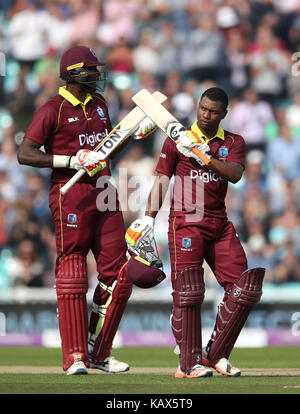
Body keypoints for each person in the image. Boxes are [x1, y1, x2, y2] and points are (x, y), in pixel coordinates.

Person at [17, 45, 155, 375]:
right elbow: (25, 152)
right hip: (71, 194)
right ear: (75, 73)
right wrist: (70, 160)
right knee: (73, 271)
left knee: (118, 273)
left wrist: (133, 135)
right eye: (92, 70)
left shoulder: (101, 104)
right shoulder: (53, 109)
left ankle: (99, 352)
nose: (97, 75)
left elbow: (105, 149)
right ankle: (75, 356)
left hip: (104, 189)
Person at [126, 87, 265, 378]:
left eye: (213, 111)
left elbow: (235, 174)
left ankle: (216, 355)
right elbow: (162, 180)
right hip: (185, 222)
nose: (205, 115)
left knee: (245, 288)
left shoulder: (233, 141)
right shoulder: (176, 139)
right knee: (189, 292)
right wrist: (148, 221)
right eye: (203, 108)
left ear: (223, 114)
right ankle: (188, 363)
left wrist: (203, 156)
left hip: (219, 222)